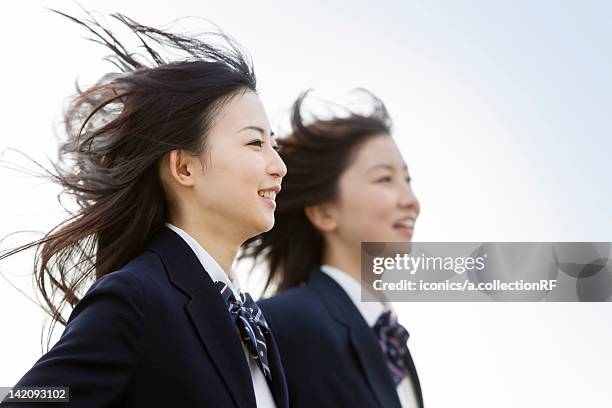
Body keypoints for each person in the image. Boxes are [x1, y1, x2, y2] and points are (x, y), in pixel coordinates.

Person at [0, 10, 288, 408]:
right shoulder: (136, 297)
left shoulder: (249, 317)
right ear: (184, 167)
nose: (279, 165)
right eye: (255, 143)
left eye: (273, 144)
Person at [242, 90, 424, 407]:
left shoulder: (394, 343)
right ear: (324, 212)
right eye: (385, 179)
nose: (411, 201)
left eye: (407, 180)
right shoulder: (283, 325)